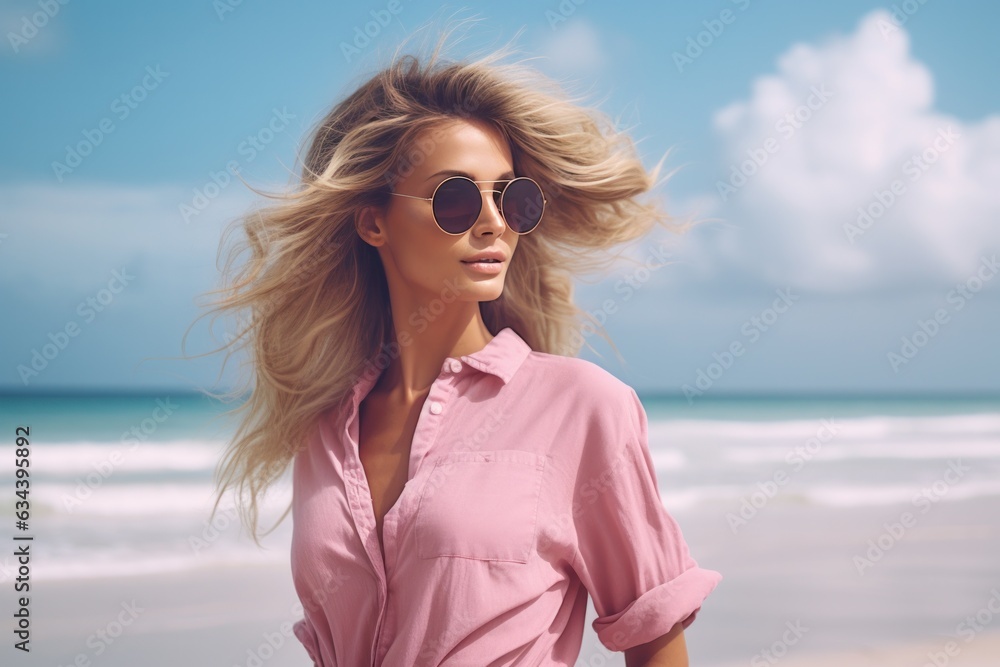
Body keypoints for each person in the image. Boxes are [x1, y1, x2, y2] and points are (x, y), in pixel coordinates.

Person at [200, 25, 721, 667]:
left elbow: (654, 638)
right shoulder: (323, 432)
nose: (493, 220)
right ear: (373, 221)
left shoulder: (584, 408)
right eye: (454, 196)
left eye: (512, 196)